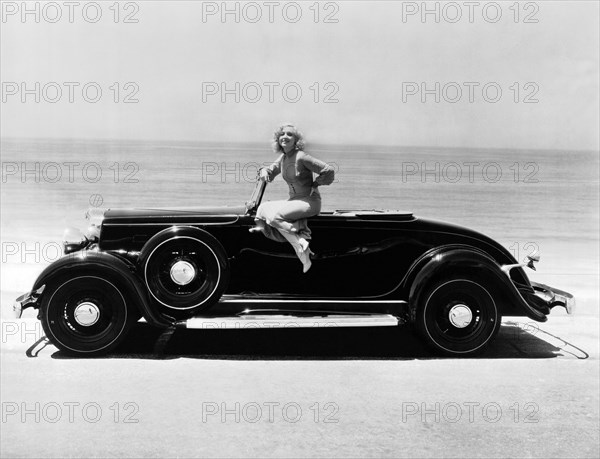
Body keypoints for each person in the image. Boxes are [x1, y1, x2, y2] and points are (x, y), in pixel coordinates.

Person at [250, 123, 335, 273]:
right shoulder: (283, 158)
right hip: (294, 201)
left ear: (296, 140)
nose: (285, 137)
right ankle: (303, 250)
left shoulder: (301, 157)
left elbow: (328, 170)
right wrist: (264, 171)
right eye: (282, 134)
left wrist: (316, 183)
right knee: (262, 209)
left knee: (275, 217)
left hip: (309, 202)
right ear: (278, 139)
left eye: (290, 134)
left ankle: (301, 238)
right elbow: (270, 170)